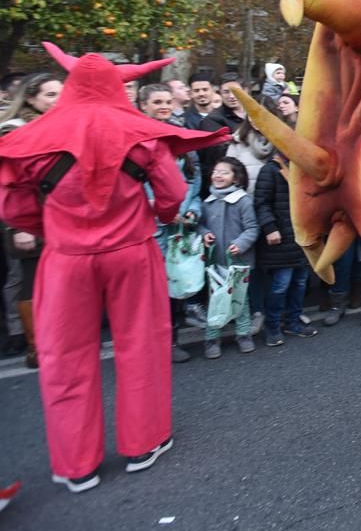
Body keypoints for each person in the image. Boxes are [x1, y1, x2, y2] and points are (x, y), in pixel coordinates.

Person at [0, 44, 227, 493]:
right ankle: (143, 444)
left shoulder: (35, 136)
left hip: (65, 258)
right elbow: (171, 192)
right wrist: (159, 218)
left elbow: (15, 205)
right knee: (141, 345)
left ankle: (76, 464)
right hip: (132, 251)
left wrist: (53, 228)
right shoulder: (139, 135)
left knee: (64, 358)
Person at [0, 72, 63, 369]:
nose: (57, 100)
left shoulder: (54, 126)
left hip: (57, 214)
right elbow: (9, 185)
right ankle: (35, 345)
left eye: (60, 93)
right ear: (30, 97)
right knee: (30, 279)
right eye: (50, 95)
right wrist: (18, 227)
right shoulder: (13, 129)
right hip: (24, 218)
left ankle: (57, 339)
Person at [139, 83, 203, 364]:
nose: (163, 106)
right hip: (149, 229)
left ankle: (172, 340)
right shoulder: (136, 141)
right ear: (143, 106)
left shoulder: (180, 137)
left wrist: (191, 211)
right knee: (150, 291)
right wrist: (162, 210)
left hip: (181, 229)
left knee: (175, 288)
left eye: (167, 100)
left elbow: (194, 181)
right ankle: (148, 345)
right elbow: (136, 186)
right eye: (156, 102)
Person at [255, 150, 317, 347]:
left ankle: (293, 322)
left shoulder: (304, 170)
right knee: (280, 285)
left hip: (302, 237)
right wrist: (270, 228)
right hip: (281, 237)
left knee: (300, 282)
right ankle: (272, 326)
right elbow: (261, 203)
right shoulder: (270, 170)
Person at [200, 157, 260, 358]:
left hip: (239, 262)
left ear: (236, 178)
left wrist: (241, 244)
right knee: (214, 300)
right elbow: (201, 225)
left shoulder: (243, 201)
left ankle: (243, 334)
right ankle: (212, 338)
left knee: (241, 300)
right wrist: (204, 233)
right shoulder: (207, 202)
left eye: (224, 172)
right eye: (216, 171)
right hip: (215, 262)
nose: (218, 175)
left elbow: (252, 228)